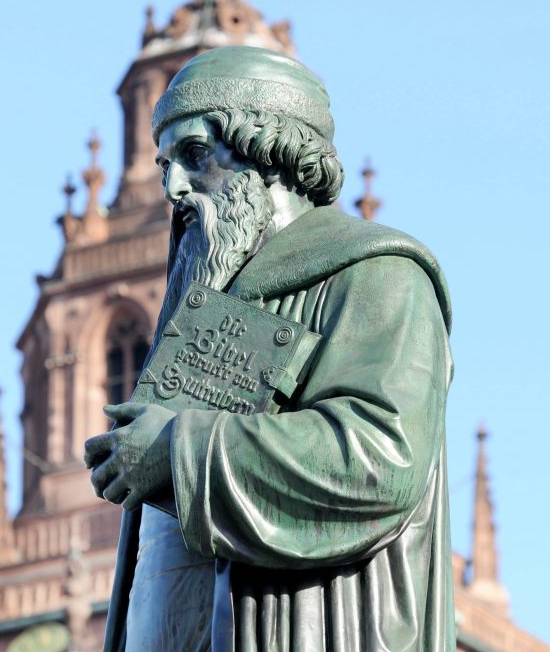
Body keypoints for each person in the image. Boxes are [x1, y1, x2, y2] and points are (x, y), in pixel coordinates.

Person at [84, 46, 455, 652]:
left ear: (272, 153)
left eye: (195, 155)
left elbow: (382, 455)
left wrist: (177, 450)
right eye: (163, 166)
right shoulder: (200, 306)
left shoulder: (377, 274)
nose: (174, 187)